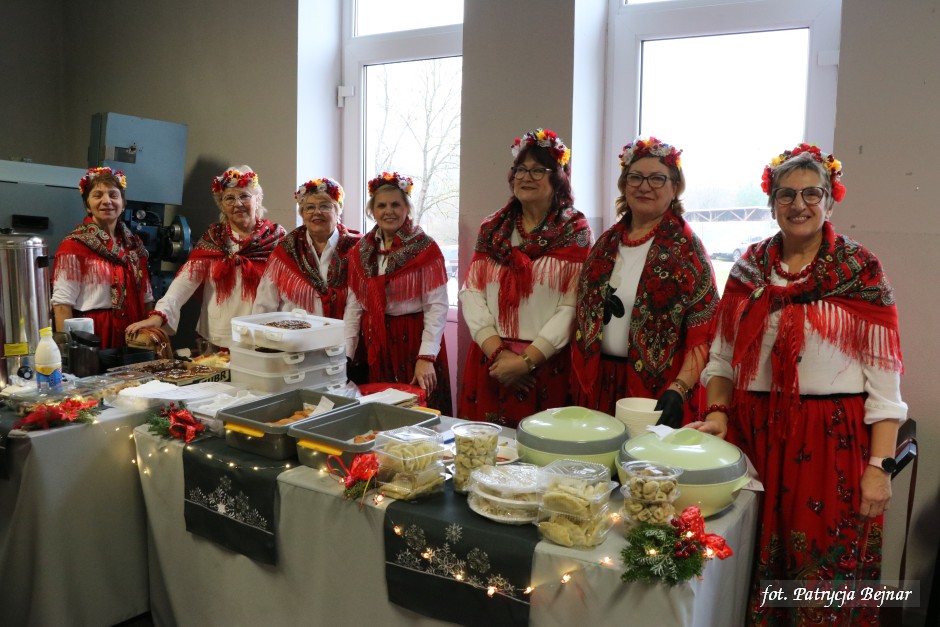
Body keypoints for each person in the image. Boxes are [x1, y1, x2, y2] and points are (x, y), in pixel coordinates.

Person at [691, 143, 907, 625]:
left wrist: (879, 467)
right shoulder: (748, 270)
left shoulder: (861, 272)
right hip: (753, 436)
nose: (799, 204)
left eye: (813, 193)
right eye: (786, 194)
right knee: (743, 559)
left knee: (820, 570)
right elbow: (722, 358)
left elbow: (885, 381)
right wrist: (718, 413)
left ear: (830, 201)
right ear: (772, 205)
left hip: (830, 441)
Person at [571, 137, 718, 426]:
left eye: (657, 178)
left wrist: (679, 389)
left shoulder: (688, 251)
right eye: (635, 177)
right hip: (598, 381)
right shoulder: (605, 244)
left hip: (657, 392)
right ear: (624, 185)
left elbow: (703, 333)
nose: (644, 186)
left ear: (675, 188)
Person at [457, 128, 591, 427]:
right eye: (521, 169)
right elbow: (472, 292)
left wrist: (525, 361)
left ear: (558, 177)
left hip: (545, 365)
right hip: (491, 361)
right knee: (484, 448)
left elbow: (571, 307)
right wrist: (500, 355)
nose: (526, 177)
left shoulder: (575, 231)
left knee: (541, 450)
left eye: (538, 170)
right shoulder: (492, 228)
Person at [126, 166, 285, 350]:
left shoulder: (276, 238)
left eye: (244, 196)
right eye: (229, 198)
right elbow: (184, 282)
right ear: (222, 205)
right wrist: (159, 315)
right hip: (217, 336)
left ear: (257, 199)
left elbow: (289, 291)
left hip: (261, 337)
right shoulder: (214, 238)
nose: (238, 204)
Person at [344, 172, 452, 414]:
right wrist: (346, 357)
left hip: (414, 340)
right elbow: (354, 307)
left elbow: (436, 306)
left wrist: (426, 357)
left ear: (407, 209)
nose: (388, 211)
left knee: (417, 411)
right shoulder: (361, 251)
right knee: (381, 412)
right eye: (381, 206)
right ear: (372, 211)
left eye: (395, 205)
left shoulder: (425, 248)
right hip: (376, 342)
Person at [52, 167, 152, 349]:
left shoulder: (134, 245)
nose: (106, 201)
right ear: (87, 205)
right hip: (92, 335)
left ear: (123, 203)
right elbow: (62, 304)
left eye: (113, 195)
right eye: (98, 195)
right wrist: (67, 352)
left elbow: (146, 298)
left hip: (134, 334)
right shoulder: (74, 245)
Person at [252, 177, 361, 318]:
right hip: (294, 331)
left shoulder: (356, 248)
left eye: (325, 206)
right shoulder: (286, 250)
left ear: (338, 210)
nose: (317, 212)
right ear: (302, 214)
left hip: (342, 331)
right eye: (310, 207)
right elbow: (264, 304)